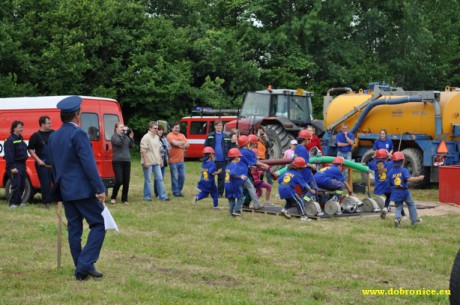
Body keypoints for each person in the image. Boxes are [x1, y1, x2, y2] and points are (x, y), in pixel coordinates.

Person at [48, 96, 106, 280]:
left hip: (66, 189)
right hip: (82, 189)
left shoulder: (54, 135)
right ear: (76, 115)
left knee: (74, 229)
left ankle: (82, 269)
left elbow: (53, 164)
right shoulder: (78, 133)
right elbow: (88, 163)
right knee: (99, 224)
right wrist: (100, 187)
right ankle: (83, 265)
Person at [388, 152, 424, 228]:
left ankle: (397, 219)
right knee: (411, 204)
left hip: (395, 192)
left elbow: (389, 184)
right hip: (404, 192)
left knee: (398, 207)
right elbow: (409, 179)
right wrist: (419, 178)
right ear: (402, 161)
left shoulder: (390, 172)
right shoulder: (404, 170)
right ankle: (414, 221)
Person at [368, 149, 406, 219]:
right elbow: (396, 161)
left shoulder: (375, 165)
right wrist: (391, 155)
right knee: (397, 200)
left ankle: (386, 208)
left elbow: (368, 162)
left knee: (389, 197)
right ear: (386, 157)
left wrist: (374, 156)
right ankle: (403, 215)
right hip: (388, 186)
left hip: (380, 187)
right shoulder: (389, 164)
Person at [27, 116, 54, 207]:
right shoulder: (36, 136)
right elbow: (30, 149)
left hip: (53, 164)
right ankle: (46, 203)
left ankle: (59, 200)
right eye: (48, 123)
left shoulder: (53, 133)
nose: (50, 124)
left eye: (50, 122)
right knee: (45, 184)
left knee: (58, 182)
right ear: (42, 124)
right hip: (43, 165)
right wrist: (38, 160)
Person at [141, 121, 170, 201]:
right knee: (148, 180)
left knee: (160, 178)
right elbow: (143, 150)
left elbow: (158, 150)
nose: (156, 130)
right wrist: (146, 161)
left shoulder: (157, 137)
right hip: (148, 162)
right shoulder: (146, 137)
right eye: (155, 128)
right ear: (150, 128)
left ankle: (162, 196)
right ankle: (147, 197)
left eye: (157, 128)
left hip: (156, 161)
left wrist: (160, 160)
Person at [239, 135, 269, 210]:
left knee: (247, 189)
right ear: (248, 143)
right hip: (242, 173)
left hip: (242, 173)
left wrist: (258, 166)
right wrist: (263, 164)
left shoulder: (245, 151)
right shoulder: (245, 152)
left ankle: (247, 204)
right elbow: (255, 162)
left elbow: (251, 162)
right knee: (249, 188)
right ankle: (255, 205)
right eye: (255, 143)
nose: (256, 145)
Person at [278, 157, 311, 222]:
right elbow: (304, 184)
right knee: (300, 201)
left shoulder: (287, 172)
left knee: (290, 201)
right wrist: (310, 189)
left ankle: (284, 210)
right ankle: (303, 216)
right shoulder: (297, 174)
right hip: (289, 189)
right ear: (299, 168)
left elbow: (279, 180)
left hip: (281, 188)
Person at [204, 120, 231, 197]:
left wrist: (229, 158)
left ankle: (219, 193)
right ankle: (209, 191)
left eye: (220, 125)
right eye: (217, 125)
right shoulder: (210, 136)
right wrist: (207, 158)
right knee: (210, 176)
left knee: (222, 178)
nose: (219, 127)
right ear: (215, 126)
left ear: (222, 126)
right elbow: (206, 147)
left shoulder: (226, 136)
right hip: (213, 160)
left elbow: (230, 147)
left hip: (223, 160)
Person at [4, 120, 28, 209]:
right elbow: (9, 155)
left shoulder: (20, 139)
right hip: (14, 165)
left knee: (22, 184)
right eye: (20, 127)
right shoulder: (10, 140)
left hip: (22, 165)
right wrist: (12, 167)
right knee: (15, 185)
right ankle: (12, 203)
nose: (22, 129)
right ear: (14, 128)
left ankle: (18, 202)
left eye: (22, 127)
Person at [110, 122, 134, 205]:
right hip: (117, 161)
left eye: (123, 127)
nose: (123, 128)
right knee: (119, 180)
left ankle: (124, 199)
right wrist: (124, 134)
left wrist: (131, 138)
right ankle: (113, 197)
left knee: (126, 181)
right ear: (116, 128)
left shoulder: (125, 137)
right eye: (121, 127)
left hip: (127, 160)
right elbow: (119, 143)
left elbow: (130, 146)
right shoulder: (114, 137)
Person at [167, 122, 189, 197]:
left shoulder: (182, 135)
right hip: (173, 161)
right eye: (175, 128)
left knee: (182, 176)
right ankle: (175, 192)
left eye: (178, 128)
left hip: (181, 161)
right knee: (175, 177)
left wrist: (180, 144)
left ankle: (179, 191)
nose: (177, 129)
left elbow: (188, 144)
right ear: (172, 128)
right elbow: (174, 143)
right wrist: (182, 143)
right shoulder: (169, 135)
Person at [225, 148, 247, 217]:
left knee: (231, 200)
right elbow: (233, 174)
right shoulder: (234, 165)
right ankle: (236, 210)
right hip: (233, 185)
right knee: (241, 197)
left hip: (227, 185)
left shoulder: (228, 165)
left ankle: (231, 214)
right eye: (239, 157)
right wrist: (240, 177)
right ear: (236, 157)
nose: (240, 159)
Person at [155, 125, 170, 198]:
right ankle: (157, 193)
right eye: (159, 130)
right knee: (158, 177)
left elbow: (168, 147)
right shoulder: (155, 138)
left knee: (162, 176)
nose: (160, 131)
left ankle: (160, 191)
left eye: (162, 130)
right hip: (158, 159)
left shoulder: (164, 138)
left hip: (164, 159)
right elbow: (159, 149)